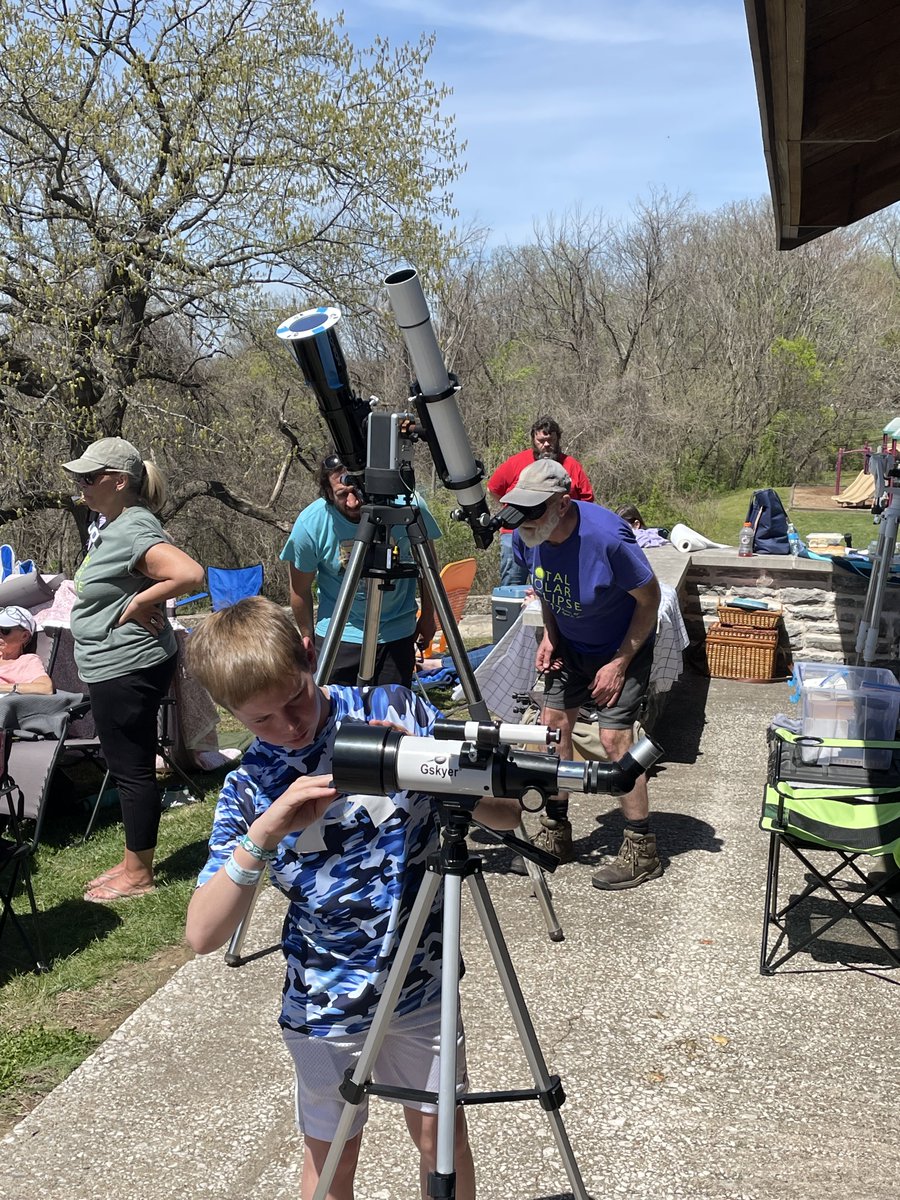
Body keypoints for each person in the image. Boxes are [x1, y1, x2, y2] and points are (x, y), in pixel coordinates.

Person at [184, 596, 519, 1200]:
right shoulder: (248, 786)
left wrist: (426, 764)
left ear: (310, 658)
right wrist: (264, 832)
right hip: (324, 1009)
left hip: (421, 986)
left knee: (444, 1143)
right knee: (334, 1157)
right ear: (229, 713)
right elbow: (202, 934)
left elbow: (506, 817)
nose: (290, 726)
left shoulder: (390, 708)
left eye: (296, 698)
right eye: (261, 720)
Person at [503, 459, 663, 890]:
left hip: (622, 643)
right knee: (552, 729)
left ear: (562, 502)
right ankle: (557, 834)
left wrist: (619, 662)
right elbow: (547, 587)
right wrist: (551, 636)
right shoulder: (528, 535)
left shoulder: (607, 538)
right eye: (521, 508)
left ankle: (642, 848)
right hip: (570, 643)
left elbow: (650, 600)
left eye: (534, 509)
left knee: (614, 740)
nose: (525, 519)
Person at [62, 437, 205, 903]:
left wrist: (142, 600)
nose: (80, 485)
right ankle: (132, 861)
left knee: (132, 770)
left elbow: (189, 573)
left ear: (119, 482)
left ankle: (139, 874)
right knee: (131, 766)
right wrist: (139, 596)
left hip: (125, 666)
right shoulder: (116, 524)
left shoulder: (134, 527)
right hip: (119, 663)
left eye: (89, 478)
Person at [280, 453, 441, 688]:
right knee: (338, 719)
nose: (353, 502)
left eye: (358, 490)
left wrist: (428, 617)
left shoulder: (410, 508)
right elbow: (299, 589)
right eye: (342, 495)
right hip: (339, 635)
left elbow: (429, 569)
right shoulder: (311, 524)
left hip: (397, 632)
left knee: (390, 717)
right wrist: (307, 637)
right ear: (327, 493)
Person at [487, 415, 594, 587]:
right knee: (512, 581)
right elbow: (493, 489)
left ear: (558, 439)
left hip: (558, 534)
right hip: (517, 530)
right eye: (540, 440)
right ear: (533, 440)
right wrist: (517, 510)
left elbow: (587, 501)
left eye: (550, 440)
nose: (545, 445)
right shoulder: (516, 462)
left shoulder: (571, 465)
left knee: (555, 584)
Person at [0, 606, 54, 695]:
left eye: (5, 630)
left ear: (24, 636)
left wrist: (4, 688)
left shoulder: (27, 661)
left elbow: (46, 688)